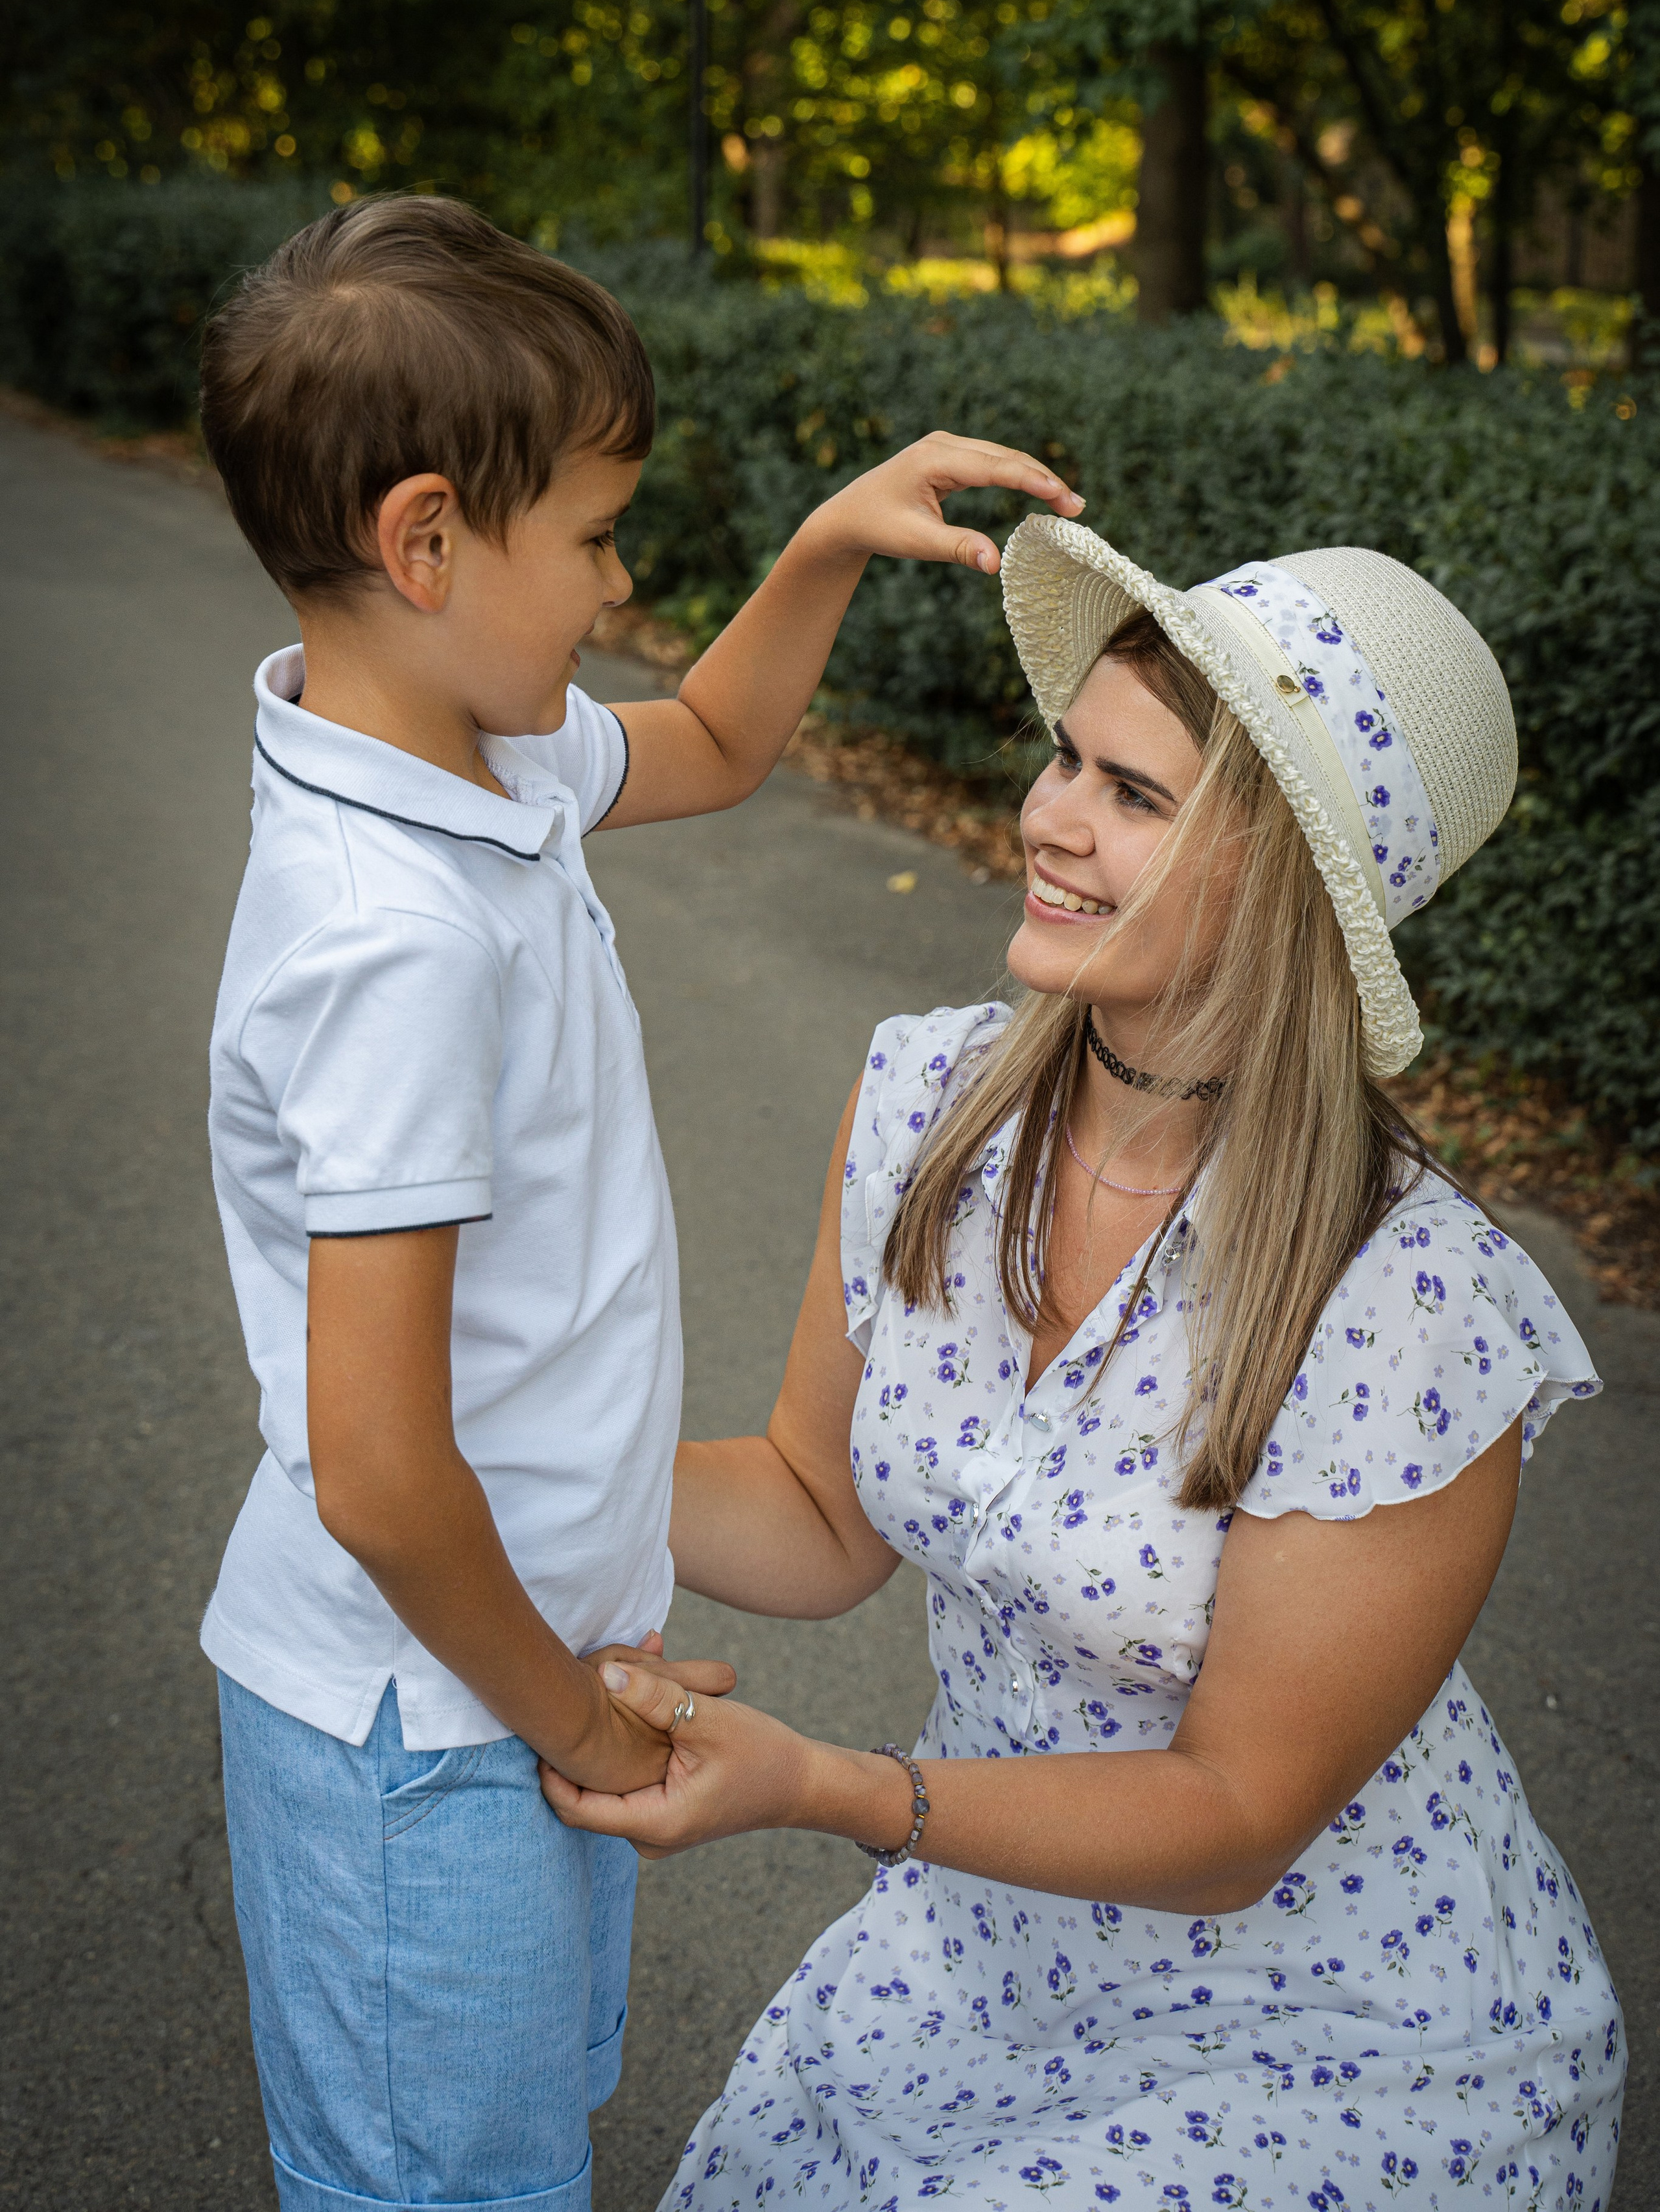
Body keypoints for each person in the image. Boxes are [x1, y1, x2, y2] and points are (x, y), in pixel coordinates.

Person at [544, 519, 1627, 2210]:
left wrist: (826, 1789)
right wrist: (493, 1464)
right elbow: (820, 1509)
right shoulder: (927, 1100)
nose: (1048, 817)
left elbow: (1237, 1807)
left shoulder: (1408, 1301)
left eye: (1135, 794)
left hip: (1325, 2039)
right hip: (985, 1968)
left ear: (1282, 880)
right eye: (1069, 757)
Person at [194, 193, 1083, 2212]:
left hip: (509, 1676)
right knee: (447, 2187)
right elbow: (378, 1471)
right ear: (427, 542)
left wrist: (828, 542)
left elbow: (713, 739)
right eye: (595, 535)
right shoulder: (392, 933)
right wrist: (571, 1731)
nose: (617, 580)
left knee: (511, 2155)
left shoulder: (465, 757)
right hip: (430, 1734)